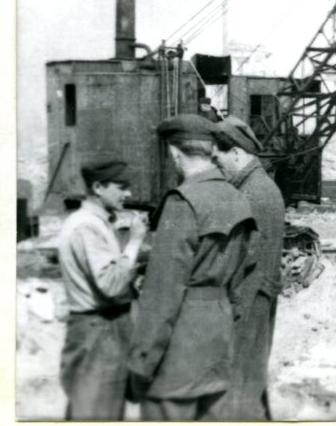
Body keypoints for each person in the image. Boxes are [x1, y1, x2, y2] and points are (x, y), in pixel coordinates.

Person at [127, 114, 257, 421]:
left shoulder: (183, 202)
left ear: (174, 152)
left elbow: (162, 293)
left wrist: (140, 362)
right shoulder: (237, 198)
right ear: (211, 150)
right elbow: (244, 269)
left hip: (177, 352)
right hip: (218, 342)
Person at [57, 160, 147, 420]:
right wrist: (135, 241)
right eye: (121, 187)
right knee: (98, 413)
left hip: (99, 330)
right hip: (98, 332)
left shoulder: (94, 222)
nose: (128, 194)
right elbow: (110, 284)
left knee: (96, 410)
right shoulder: (87, 226)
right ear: (98, 187)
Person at [212, 117, 286, 420]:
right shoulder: (258, 187)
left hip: (247, 299)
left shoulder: (252, 193)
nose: (218, 166)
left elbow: (244, 256)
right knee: (250, 380)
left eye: (219, 159)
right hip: (254, 296)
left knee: (241, 384)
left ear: (238, 153)